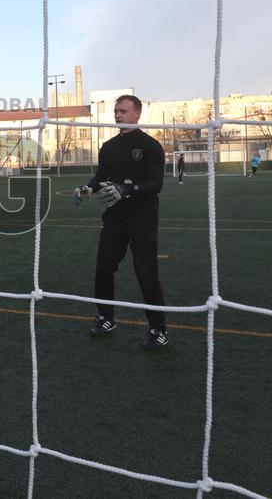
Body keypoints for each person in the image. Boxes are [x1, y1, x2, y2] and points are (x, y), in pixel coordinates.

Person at [73, 94, 168, 351]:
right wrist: (86, 189)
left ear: (137, 113)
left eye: (123, 111)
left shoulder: (150, 146)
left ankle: (158, 329)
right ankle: (106, 318)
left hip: (142, 218)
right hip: (114, 218)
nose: (118, 115)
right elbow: (99, 177)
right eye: (116, 111)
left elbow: (155, 184)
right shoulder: (109, 146)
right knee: (103, 269)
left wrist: (126, 190)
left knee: (146, 274)